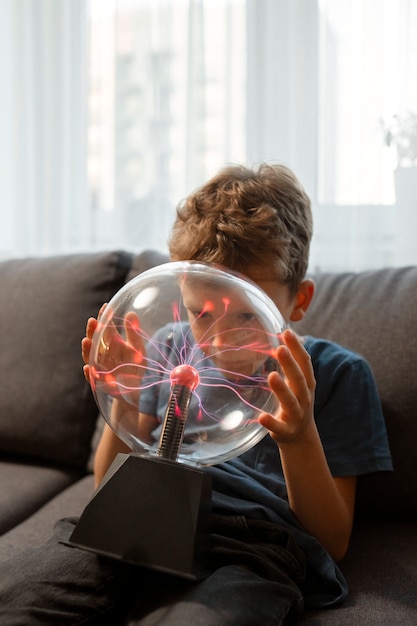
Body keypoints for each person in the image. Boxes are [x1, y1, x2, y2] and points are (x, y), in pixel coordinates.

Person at [0, 164, 392, 625]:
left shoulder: (336, 374)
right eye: (201, 313)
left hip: (252, 547)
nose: (220, 339)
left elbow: (332, 541)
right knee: (21, 596)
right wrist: (125, 401)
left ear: (299, 300)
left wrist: (299, 435)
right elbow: (108, 484)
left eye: (247, 317)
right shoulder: (170, 346)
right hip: (140, 524)